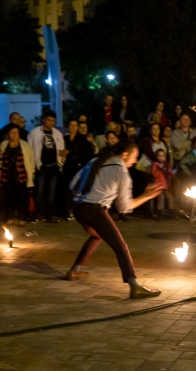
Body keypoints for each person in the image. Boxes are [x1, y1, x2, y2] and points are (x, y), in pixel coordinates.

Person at [67, 140, 162, 299]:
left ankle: (74, 270)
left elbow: (72, 184)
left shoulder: (96, 161)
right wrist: (146, 196)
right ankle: (134, 285)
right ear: (124, 155)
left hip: (78, 208)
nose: (135, 161)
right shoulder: (121, 172)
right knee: (121, 246)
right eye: (134, 157)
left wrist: (83, 196)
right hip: (94, 210)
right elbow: (124, 207)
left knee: (97, 235)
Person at [28, 110, 66, 223]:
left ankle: (48, 213)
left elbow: (61, 149)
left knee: (51, 191)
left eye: (53, 121)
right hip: (41, 166)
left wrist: (60, 162)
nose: (51, 123)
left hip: (54, 166)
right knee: (39, 191)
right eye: (49, 120)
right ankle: (37, 213)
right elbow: (30, 150)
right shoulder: (34, 133)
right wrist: (33, 166)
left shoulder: (57, 133)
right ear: (43, 120)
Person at [0, 126, 35, 226]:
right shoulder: (3, 145)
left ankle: (21, 218)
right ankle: (9, 217)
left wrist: (31, 172)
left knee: (22, 198)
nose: (14, 135)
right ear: (8, 134)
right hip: (7, 175)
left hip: (21, 175)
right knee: (9, 197)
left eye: (16, 132)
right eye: (12, 132)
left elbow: (31, 159)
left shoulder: (25, 145)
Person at [63, 119, 94, 220]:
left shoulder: (82, 138)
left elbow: (87, 152)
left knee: (77, 188)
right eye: (71, 125)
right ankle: (68, 210)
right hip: (67, 166)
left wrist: (70, 151)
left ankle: (77, 210)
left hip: (78, 166)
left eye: (75, 126)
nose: (73, 127)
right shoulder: (65, 138)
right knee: (67, 188)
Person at [152, 148, 175, 218]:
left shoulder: (168, 165)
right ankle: (160, 213)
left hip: (167, 185)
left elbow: (170, 174)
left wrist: (172, 173)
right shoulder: (155, 165)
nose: (161, 157)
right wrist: (159, 169)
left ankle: (171, 212)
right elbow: (154, 174)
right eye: (159, 156)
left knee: (170, 198)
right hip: (159, 185)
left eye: (162, 155)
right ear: (156, 157)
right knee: (160, 198)